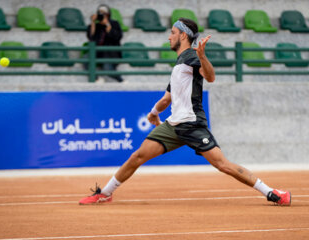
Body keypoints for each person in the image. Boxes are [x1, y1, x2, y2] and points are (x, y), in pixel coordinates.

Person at [79, 18, 291, 206]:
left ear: (183, 35)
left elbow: (210, 77)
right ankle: (105, 193)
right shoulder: (179, 65)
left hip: (192, 124)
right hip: (173, 126)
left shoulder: (191, 56)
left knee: (222, 165)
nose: (169, 36)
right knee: (137, 156)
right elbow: (167, 99)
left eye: (172, 32)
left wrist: (203, 57)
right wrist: (153, 113)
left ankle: (272, 192)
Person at [85, 4, 124, 83]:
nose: (102, 15)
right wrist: (93, 23)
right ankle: (96, 79)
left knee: (107, 68)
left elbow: (118, 37)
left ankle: (121, 80)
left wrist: (107, 26)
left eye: (104, 13)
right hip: (97, 51)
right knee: (85, 58)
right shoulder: (95, 25)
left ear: (108, 15)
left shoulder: (114, 23)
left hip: (110, 52)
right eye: (100, 13)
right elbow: (91, 38)